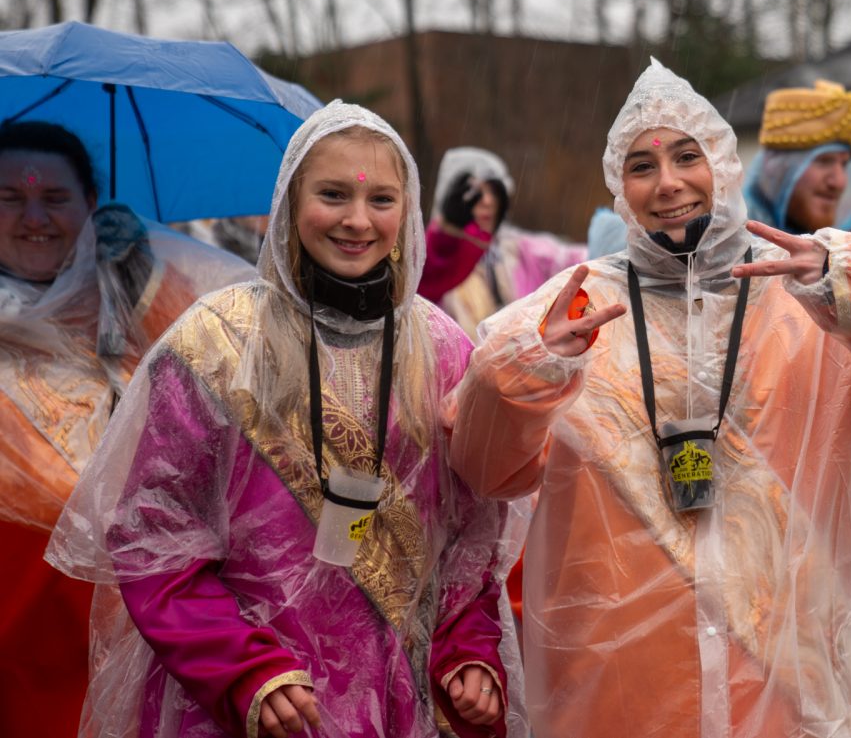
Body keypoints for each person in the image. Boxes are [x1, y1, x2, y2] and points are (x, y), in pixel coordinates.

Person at [445, 59, 851, 738]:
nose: (668, 182)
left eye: (686, 156)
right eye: (642, 166)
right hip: (621, 696)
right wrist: (532, 366)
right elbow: (485, 467)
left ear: (723, 165)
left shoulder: (804, 294)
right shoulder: (572, 312)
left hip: (783, 691)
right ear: (620, 186)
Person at [45, 102, 528, 738]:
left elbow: (472, 535)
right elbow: (152, 536)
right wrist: (242, 670)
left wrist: (468, 654)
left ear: (408, 211)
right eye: (332, 194)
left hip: (396, 700)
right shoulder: (215, 345)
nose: (358, 220)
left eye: (381, 199)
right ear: (290, 201)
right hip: (249, 704)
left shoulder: (439, 347)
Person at [0, 120, 254, 738]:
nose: (34, 216)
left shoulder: (140, 297)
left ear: (91, 205)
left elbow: (240, 378)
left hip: (144, 616)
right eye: (9, 198)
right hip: (20, 631)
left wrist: (142, 289)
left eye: (55, 198)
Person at [744, 80, 851, 709]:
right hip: (753, 545)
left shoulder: (842, 262)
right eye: (822, 161)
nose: (837, 179)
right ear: (780, 166)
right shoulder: (727, 256)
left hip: (839, 531)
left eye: (845, 162)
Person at [418, 147, 587, 339]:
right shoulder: (437, 255)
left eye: (494, 191)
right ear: (451, 199)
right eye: (475, 193)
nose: (488, 201)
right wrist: (450, 231)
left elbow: (573, 260)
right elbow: (425, 281)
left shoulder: (516, 250)